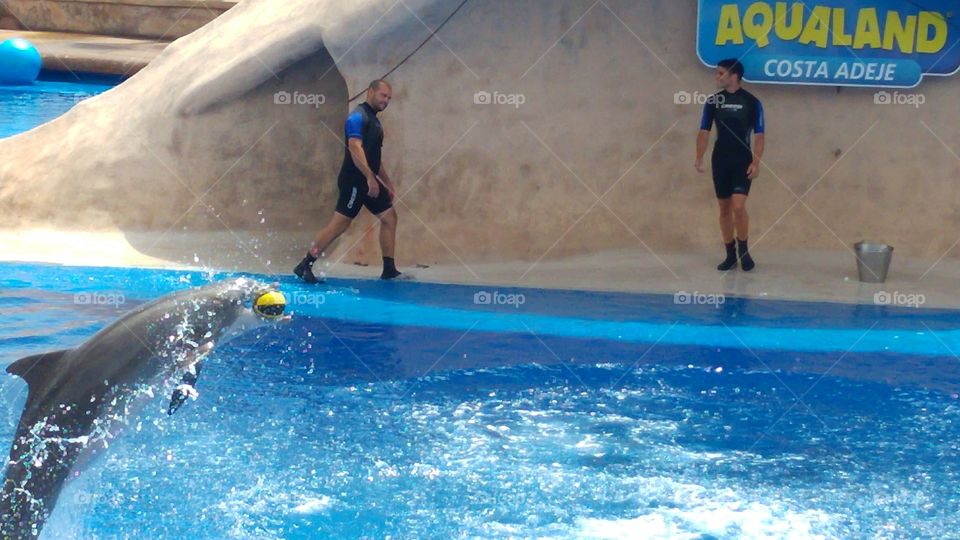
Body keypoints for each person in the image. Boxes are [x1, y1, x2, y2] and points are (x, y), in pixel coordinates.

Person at [294, 79, 402, 283]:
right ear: (370, 92)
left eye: (389, 98)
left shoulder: (375, 122)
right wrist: (370, 177)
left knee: (390, 218)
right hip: (354, 181)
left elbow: (374, 158)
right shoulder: (357, 117)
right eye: (383, 95)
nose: (386, 101)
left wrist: (385, 181)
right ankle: (305, 264)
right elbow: (355, 148)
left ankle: (389, 269)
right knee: (338, 226)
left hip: (369, 181)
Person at [695, 59, 765, 272]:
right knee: (724, 208)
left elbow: (760, 136)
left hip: (742, 161)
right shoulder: (713, 102)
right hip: (721, 161)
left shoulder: (752, 102)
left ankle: (744, 250)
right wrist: (699, 156)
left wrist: (756, 161)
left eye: (720, 74)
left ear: (733, 76)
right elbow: (704, 132)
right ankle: (730, 254)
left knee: (738, 206)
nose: (717, 77)